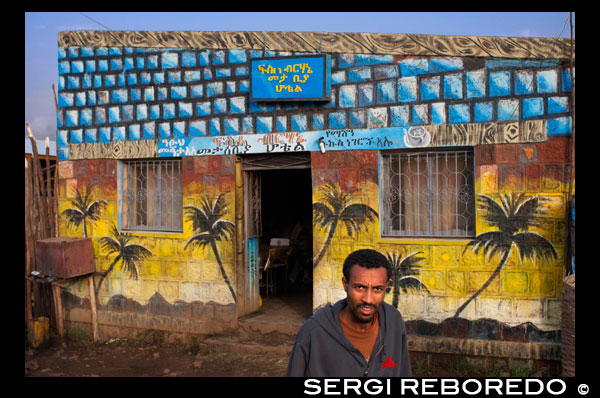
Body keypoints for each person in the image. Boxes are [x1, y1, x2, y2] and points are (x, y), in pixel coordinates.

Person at [287, 249, 411, 377]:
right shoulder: (314, 332)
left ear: (386, 287)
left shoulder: (394, 322)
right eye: (360, 287)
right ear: (345, 284)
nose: (368, 299)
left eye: (377, 289)